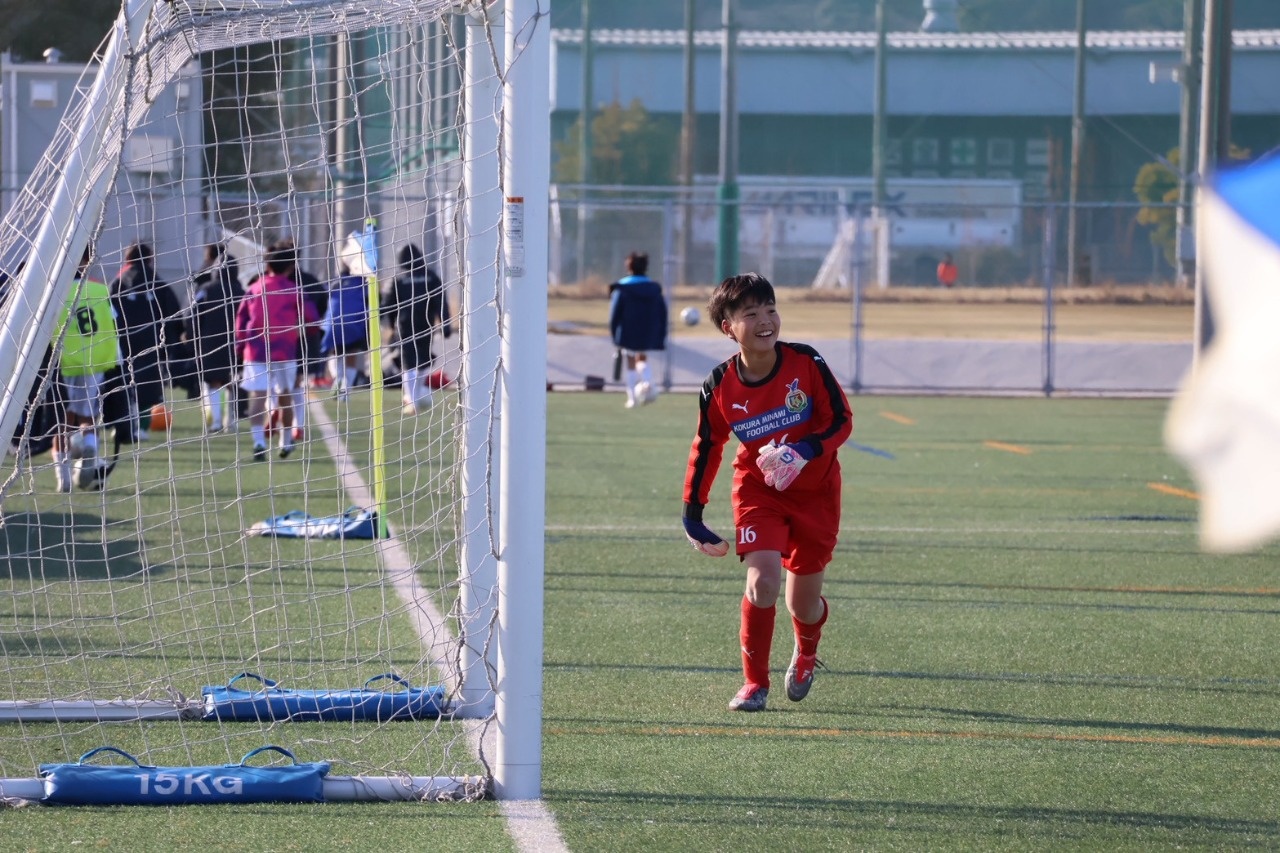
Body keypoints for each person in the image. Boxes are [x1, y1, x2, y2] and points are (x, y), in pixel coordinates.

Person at [681, 272, 853, 713]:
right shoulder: (718, 386)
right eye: (751, 313)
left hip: (816, 494)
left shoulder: (806, 362)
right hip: (760, 491)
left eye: (771, 310)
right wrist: (692, 513)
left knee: (803, 604)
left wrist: (803, 451)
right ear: (728, 328)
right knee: (762, 584)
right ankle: (755, 684)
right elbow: (707, 447)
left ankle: (807, 649)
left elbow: (841, 420)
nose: (765, 321)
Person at [234, 241, 320, 461]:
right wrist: (303, 330)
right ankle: (286, 441)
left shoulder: (254, 288)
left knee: (258, 396)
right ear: (291, 267)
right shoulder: (294, 290)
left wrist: (240, 346)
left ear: (267, 264)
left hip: (256, 350)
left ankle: (259, 442)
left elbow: (240, 321)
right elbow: (312, 318)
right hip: (284, 350)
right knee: (285, 394)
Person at [51, 247, 120, 492]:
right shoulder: (100, 290)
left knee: (62, 420)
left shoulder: (55, 292)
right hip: (94, 359)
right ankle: (90, 445)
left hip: (64, 362)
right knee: (89, 417)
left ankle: (64, 478)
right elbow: (113, 322)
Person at [109, 242, 183, 440]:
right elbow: (173, 314)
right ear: (149, 259)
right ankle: (140, 427)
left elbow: (109, 310)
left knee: (124, 384)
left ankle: (123, 425)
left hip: (124, 342)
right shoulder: (158, 283)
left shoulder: (118, 282)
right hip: (152, 342)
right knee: (148, 385)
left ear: (128, 258)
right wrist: (173, 342)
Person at [384, 243, 452, 414]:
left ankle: (412, 401)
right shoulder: (431, 277)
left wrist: (391, 325)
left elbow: (389, 305)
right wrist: (445, 323)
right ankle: (414, 398)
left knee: (408, 364)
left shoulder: (399, 279)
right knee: (422, 361)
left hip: (404, 326)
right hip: (426, 325)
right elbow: (440, 302)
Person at [184, 242, 242, 433]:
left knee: (212, 381)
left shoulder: (206, 290)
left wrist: (192, 336)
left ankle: (216, 421)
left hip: (209, 343)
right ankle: (231, 420)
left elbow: (192, 314)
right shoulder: (241, 292)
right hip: (236, 344)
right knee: (233, 381)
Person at [608, 251, 667, 408]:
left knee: (630, 361)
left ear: (629, 267)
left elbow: (615, 314)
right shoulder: (654, 288)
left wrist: (614, 334)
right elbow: (662, 312)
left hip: (628, 331)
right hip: (648, 330)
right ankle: (647, 382)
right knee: (642, 357)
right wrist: (660, 332)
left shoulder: (621, 288)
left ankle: (632, 399)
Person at [321, 263, 370, 399]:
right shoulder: (363, 282)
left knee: (334, 352)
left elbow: (322, 297)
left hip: (333, 324)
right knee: (351, 356)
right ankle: (345, 391)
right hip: (353, 324)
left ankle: (337, 379)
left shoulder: (333, 281)